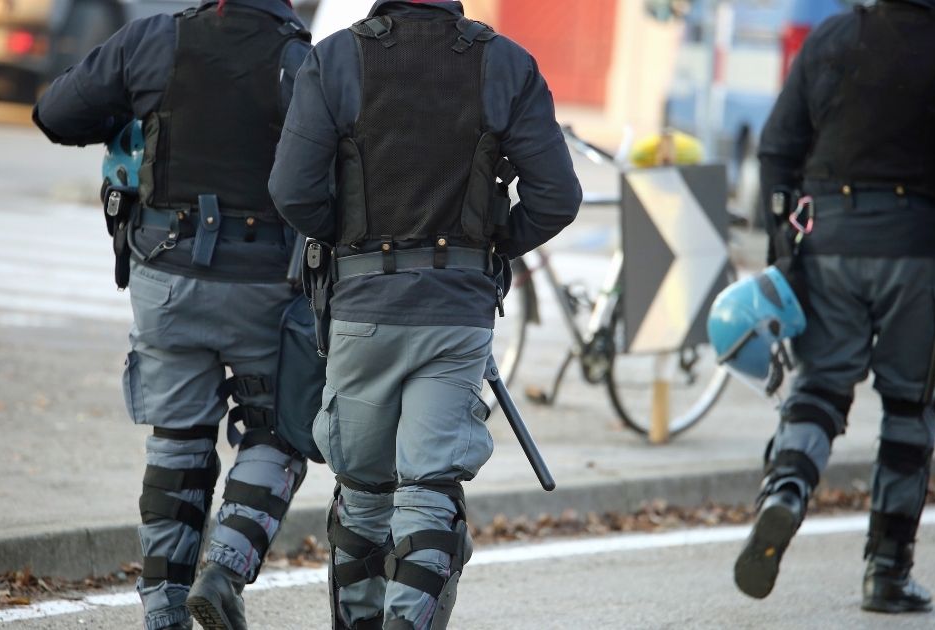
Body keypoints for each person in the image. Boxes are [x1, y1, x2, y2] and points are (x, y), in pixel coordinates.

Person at [269, 1, 582, 628]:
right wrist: (490, 247)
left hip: (361, 314)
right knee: (430, 492)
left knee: (362, 496)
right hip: (456, 316)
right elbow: (557, 197)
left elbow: (292, 191)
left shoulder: (335, 57)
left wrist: (348, 242)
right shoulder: (507, 63)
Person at [32, 2, 313, 629]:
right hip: (264, 285)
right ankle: (224, 570)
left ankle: (162, 611)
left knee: (178, 441)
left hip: (165, 276)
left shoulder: (155, 38)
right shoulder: (300, 59)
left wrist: (130, 111)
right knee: (278, 429)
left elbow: (55, 113)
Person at [735, 0, 935, 613]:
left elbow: (778, 147)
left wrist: (784, 242)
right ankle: (886, 573)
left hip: (829, 242)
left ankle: (786, 491)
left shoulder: (833, 37)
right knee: (909, 405)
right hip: (919, 251)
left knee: (821, 388)